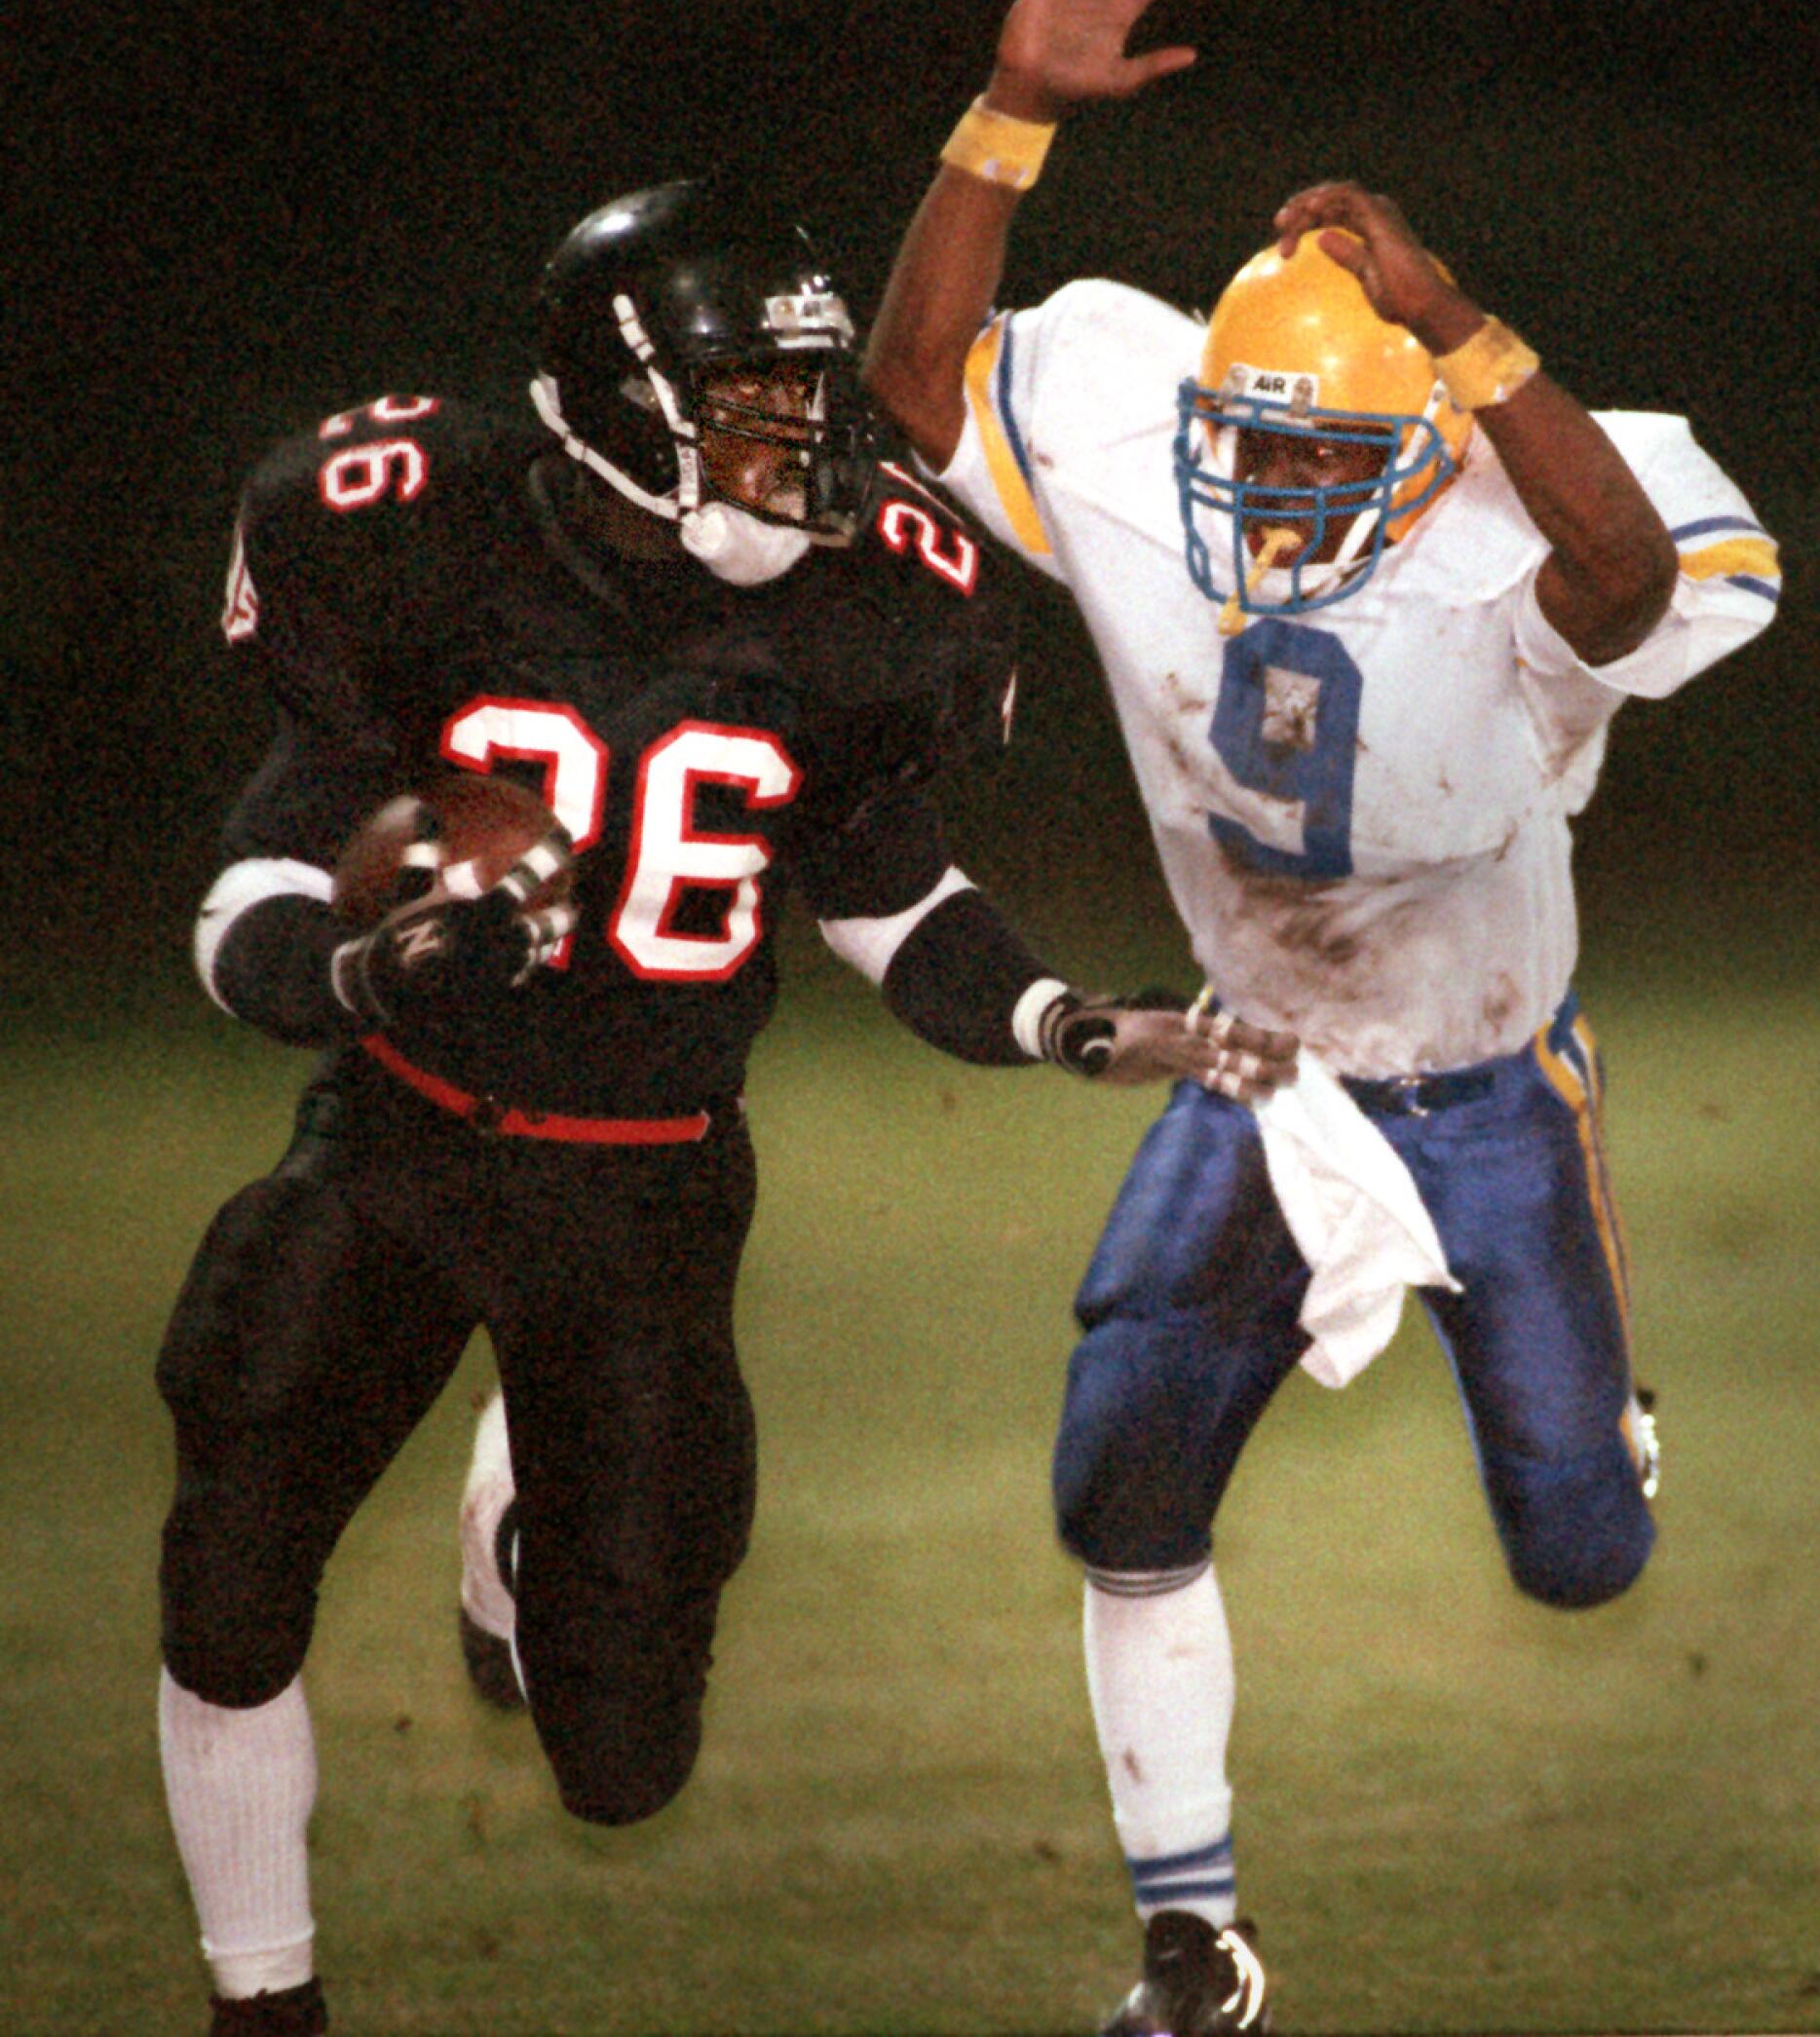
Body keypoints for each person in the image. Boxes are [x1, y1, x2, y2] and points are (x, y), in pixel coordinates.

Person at [158, 174, 1299, 2037]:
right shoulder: (411, 533)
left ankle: (515, 1504)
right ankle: (259, 2001)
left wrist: (1060, 1020)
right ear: (621, 410)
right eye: (762, 408)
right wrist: (358, 974)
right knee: (231, 1554)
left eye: (814, 397)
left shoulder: (867, 611)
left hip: (652, 1186)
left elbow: (885, 886)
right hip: (404, 1140)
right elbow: (251, 894)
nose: (811, 447)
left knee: (624, 1766)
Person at [860, 0, 1783, 2030]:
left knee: (1578, 1559)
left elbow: (1631, 579)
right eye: (1243, 449)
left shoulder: (1507, 515)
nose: (1265, 493)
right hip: (1261, 1066)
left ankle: (1596, 1415)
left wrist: (1452, 318)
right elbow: (919, 388)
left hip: (1477, 1080)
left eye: (1314, 459)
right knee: (1115, 1486)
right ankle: (1191, 1942)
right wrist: (1006, 117)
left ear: (1425, 439)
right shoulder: (1124, 439)